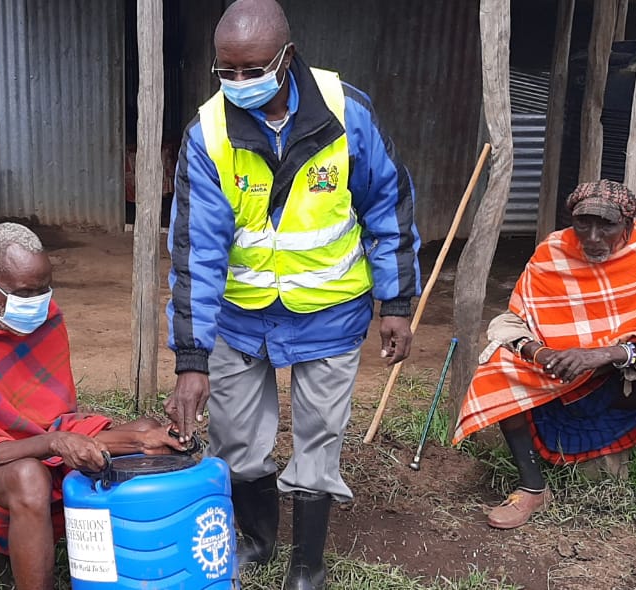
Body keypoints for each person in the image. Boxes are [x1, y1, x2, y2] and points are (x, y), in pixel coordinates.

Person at [163, 1, 420, 587]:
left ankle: (308, 564)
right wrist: (192, 359)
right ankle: (257, 537)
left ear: (288, 57)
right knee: (235, 435)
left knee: (320, 435)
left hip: (330, 312)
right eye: (226, 72)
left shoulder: (346, 113)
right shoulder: (207, 135)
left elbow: (387, 203)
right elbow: (195, 251)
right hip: (239, 316)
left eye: (253, 70)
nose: (239, 84)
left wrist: (397, 302)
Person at [0, 222, 186, 590]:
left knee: (144, 430)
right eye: (25, 293)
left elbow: (55, 419)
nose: (37, 304)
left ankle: (145, 572)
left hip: (35, 444)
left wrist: (137, 442)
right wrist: (55, 443)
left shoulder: (46, 319)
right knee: (29, 477)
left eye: (44, 290)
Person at [452, 179, 636, 571]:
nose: (593, 237)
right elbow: (514, 321)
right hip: (561, 373)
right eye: (583, 225)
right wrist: (542, 351)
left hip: (620, 374)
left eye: (607, 226)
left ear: (629, 226)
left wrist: (602, 354)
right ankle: (532, 486)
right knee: (499, 365)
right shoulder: (554, 249)